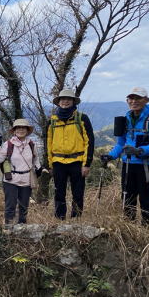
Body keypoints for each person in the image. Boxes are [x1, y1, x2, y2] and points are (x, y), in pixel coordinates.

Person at [102, 87, 149, 225]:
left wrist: (139, 151)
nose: (134, 101)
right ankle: (128, 227)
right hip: (128, 164)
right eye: (131, 98)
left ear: (146, 100)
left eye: (138, 98)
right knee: (127, 197)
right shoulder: (126, 119)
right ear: (127, 100)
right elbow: (121, 143)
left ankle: (148, 229)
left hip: (147, 165)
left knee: (146, 197)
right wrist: (110, 156)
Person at [47, 89, 95, 220]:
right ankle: (59, 218)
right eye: (63, 99)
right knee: (59, 193)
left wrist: (87, 164)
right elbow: (48, 144)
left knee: (78, 193)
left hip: (77, 161)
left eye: (68, 99)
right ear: (58, 102)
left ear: (73, 101)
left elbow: (89, 141)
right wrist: (50, 164)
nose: (65, 101)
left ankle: (76, 219)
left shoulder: (82, 118)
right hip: (58, 162)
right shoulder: (52, 121)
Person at [0, 119, 41, 226]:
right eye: (18, 128)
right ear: (14, 130)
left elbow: (36, 159)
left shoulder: (31, 144)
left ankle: (22, 227)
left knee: (24, 206)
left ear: (27, 130)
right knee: (10, 205)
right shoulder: (8, 144)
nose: (21, 130)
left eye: (23, 128)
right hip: (11, 179)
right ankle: (8, 226)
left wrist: (39, 169)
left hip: (26, 179)